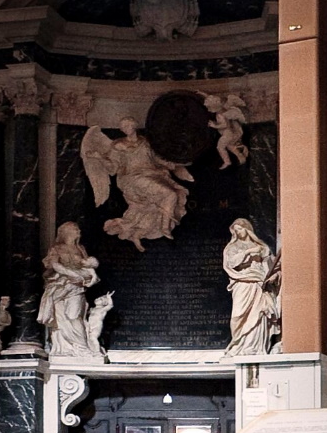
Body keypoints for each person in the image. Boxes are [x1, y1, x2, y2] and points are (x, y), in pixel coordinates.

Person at [81, 118, 194, 251]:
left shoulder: (145, 141)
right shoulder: (118, 145)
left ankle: (161, 226)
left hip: (153, 174)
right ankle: (165, 227)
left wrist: (173, 163)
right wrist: (99, 157)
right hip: (133, 179)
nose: (126, 128)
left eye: (128, 125)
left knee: (172, 195)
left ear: (134, 126)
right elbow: (113, 168)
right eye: (123, 127)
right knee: (170, 194)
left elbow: (156, 159)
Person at [38, 222, 104, 359]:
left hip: (76, 287)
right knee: (61, 318)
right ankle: (66, 348)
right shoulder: (56, 248)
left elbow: (88, 265)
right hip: (59, 286)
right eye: (75, 229)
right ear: (66, 232)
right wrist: (72, 274)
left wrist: (91, 276)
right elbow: (55, 265)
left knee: (74, 315)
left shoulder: (80, 248)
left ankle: (82, 347)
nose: (78, 231)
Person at [221, 219, 280, 357]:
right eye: (236, 230)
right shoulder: (232, 247)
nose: (238, 232)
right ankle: (238, 344)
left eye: (240, 229)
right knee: (238, 314)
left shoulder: (261, 246)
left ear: (247, 229)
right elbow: (231, 263)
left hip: (258, 283)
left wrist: (271, 274)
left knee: (259, 313)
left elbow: (270, 265)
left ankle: (253, 347)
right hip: (242, 283)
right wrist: (248, 252)